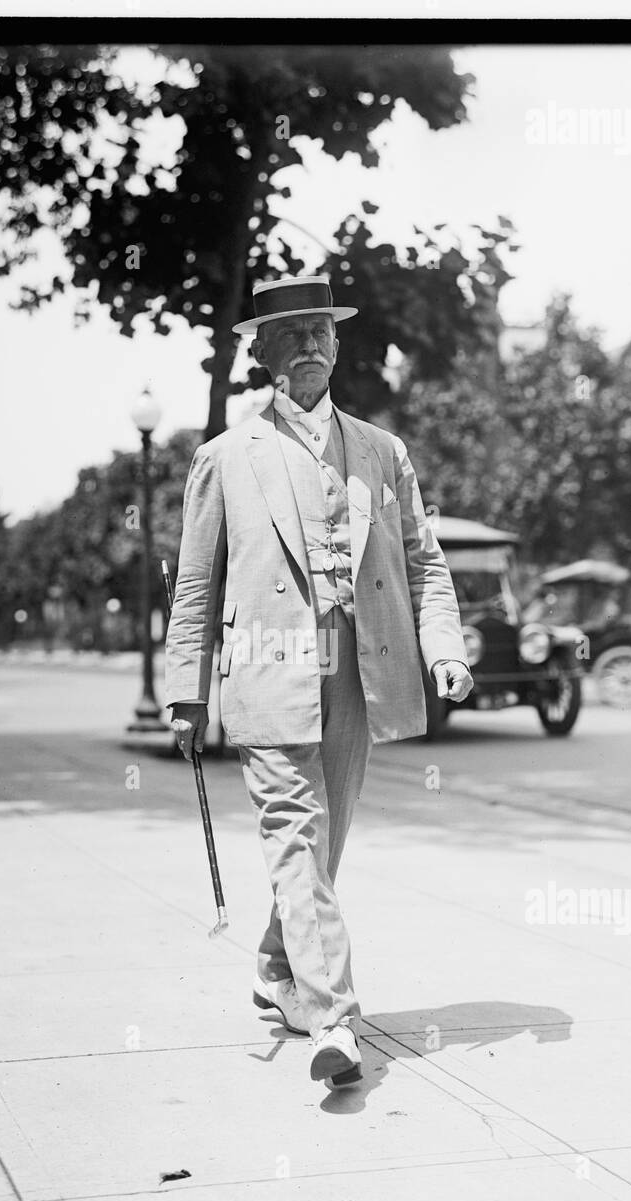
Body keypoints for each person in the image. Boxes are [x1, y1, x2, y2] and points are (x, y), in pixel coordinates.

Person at [164, 274, 472, 1088]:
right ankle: (334, 1020)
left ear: (338, 346)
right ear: (258, 353)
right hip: (266, 670)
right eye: (290, 332)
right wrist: (186, 690)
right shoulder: (224, 459)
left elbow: (423, 563)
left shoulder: (382, 450)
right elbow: (196, 584)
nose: (309, 344)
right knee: (296, 836)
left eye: (321, 332)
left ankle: (277, 970)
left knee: (321, 849)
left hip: (359, 672)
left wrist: (443, 646)